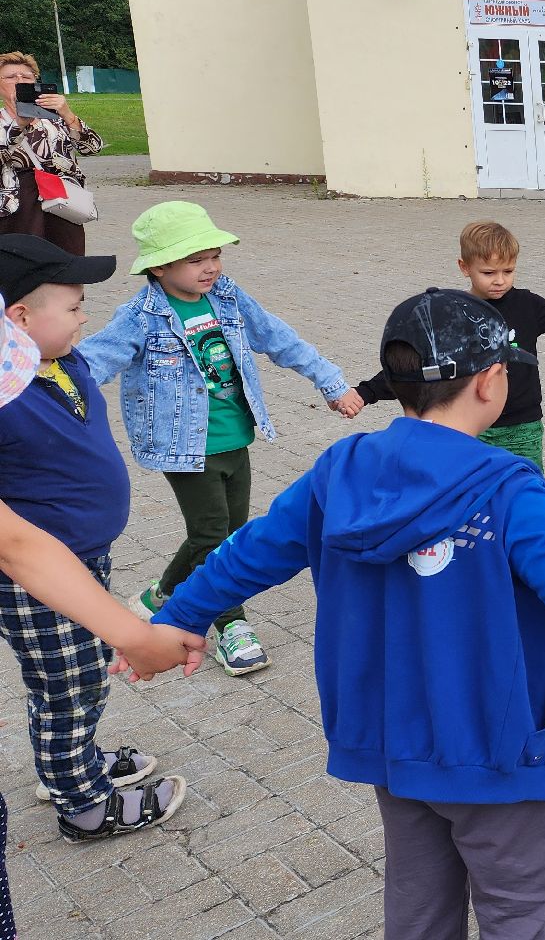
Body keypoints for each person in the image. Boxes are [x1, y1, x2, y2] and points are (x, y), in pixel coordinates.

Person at [145, 288, 545, 939]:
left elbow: (248, 553)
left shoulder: (338, 471)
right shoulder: (506, 490)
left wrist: (180, 616)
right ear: (492, 382)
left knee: (418, 907)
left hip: (389, 745)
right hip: (493, 752)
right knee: (523, 911)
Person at [78, 201, 361, 676]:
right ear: (160, 267)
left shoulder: (227, 297)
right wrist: (41, 392)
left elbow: (278, 337)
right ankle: (231, 623)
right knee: (212, 536)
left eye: (214, 255)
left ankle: (166, 591)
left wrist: (330, 381)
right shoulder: (143, 316)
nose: (210, 267)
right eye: (195, 259)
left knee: (231, 532)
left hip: (236, 438)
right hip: (185, 448)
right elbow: (92, 360)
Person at [0, 235, 200, 845]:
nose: (86, 316)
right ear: (20, 319)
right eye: (74, 306)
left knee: (79, 671)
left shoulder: (62, 360)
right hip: (39, 576)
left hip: (87, 556)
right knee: (68, 683)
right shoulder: (6, 395)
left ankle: (71, 762)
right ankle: (82, 803)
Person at [352, 221, 545, 469]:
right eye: (489, 273)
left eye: (508, 271)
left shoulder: (527, 305)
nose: (500, 281)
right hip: (465, 425)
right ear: (464, 267)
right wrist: (366, 392)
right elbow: (419, 366)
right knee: (468, 496)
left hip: (522, 426)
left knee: (524, 494)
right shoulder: (452, 312)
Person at [0, 52, 105, 255]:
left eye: (27, 77)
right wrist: (19, 125)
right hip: (17, 208)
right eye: (12, 77)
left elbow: (92, 148)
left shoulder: (55, 121)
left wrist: (67, 114)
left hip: (62, 205)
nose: (20, 80)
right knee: (23, 266)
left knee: (66, 265)